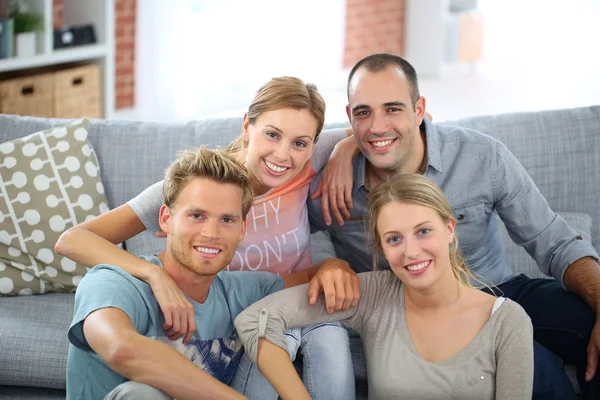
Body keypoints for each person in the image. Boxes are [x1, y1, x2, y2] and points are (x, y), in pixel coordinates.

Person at [308, 53, 600, 399]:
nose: (377, 126)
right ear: (350, 117)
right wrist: (328, 261)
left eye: (393, 109)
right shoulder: (328, 185)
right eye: (363, 113)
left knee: (585, 321)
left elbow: (554, 241)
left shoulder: (481, 156)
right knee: (537, 370)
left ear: (419, 110)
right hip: (421, 315)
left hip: (498, 290)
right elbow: (306, 233)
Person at [56, 77, 358, 400]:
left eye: (228, 220)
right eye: (197, 216)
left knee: (327, 333)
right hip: (238, 322)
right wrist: (153, 274)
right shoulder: (194, 185)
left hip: (268, 309)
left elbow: (387, 128)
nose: (283, 154)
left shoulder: (237, 288)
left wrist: (345, 151)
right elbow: (72, 241)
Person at [235, 173, 534, 399]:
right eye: (394, 239)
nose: (411, 252)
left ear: (449, 229)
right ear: (382, 248)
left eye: (424, 231)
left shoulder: (508, 321)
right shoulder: (374, 295)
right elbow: (256, 319)